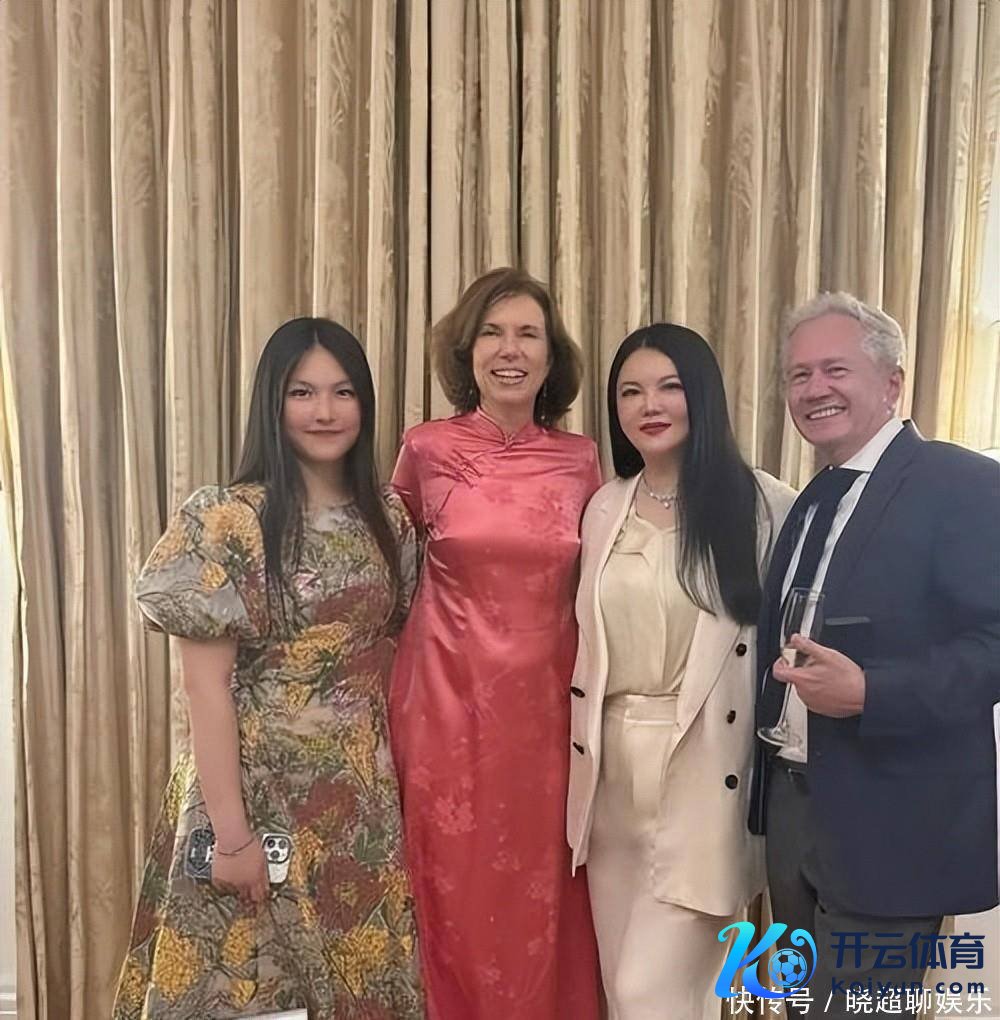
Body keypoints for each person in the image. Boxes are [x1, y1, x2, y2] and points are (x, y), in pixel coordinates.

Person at [114, 319, 425, 1019]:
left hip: (359, 803)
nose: (325, 411)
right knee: (241, 993)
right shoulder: (225, 520)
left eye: (343, 392)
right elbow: (205, 690)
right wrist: (231, 838)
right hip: (248, 794)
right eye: (302, 392)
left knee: (359, 991)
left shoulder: (391, 520)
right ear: (272, 403)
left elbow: (397, 652)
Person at [749, 293, 1000, 1017]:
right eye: (798, 375)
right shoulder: (808, 500)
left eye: (835, 369)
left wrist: (872, 692)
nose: (813, 389)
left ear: (892, 383)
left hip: (894, 824)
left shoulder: (963, 485)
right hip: (792, 812)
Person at [389, 267, 602, 1019]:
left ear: (551, 355)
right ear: (467, 350)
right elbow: (387, 580)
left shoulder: (581, 459)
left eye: (528, 334)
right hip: (444, 714)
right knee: (450, 893)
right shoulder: (425, 449)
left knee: (545, 899)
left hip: (551, 722)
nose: (510, 350)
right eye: (492, 332)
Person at [565, 323, 796, 1019]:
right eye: (630, 391)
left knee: (650, 997)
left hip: (705, 772)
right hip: (609, 778)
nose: (649, 405)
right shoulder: (605, 506)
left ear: (703, 394)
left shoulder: (763, 505)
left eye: (669, 386)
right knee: (624, 993)